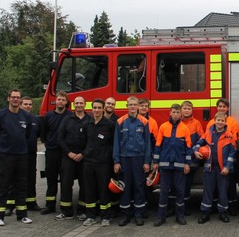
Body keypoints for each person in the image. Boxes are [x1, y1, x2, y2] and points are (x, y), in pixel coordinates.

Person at [0, 89, 33, 226]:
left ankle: (22, 215)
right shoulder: (0, 115)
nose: (15, 100)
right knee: (3, 185)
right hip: (5, 155)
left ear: (21, 100)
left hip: (21, 155)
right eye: (13, 97)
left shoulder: (26, 116)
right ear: (8, 99)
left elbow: (27, 135)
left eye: (18, 98)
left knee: (21, 185)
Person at [114, 96, 152, 226]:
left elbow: (147, 143)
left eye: (134, 104)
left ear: (137, 106)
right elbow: (116, 143)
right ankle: (125, 215)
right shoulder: (120, 122)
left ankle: (138, 214)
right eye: (130, 104)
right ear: (126, 106)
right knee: (125, 186)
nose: (132, 107)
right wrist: (116, 161)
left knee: (139, 186)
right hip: (124, 158)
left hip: (139, 158)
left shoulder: (144, 121)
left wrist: (147, 161)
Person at [152, 103, 192, 226]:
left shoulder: (185, 128)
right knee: (164, 191)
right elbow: (158, 146)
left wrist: (187, 164)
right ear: (170, 113)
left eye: (177, 112)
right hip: (165, 165)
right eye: (173, 112)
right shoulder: (163, 127)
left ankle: (180, 216)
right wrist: (155, 162)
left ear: (180, 114)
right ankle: (161, 217)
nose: (175, 114)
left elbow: (188, 148)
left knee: (180, 191)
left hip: (179, 166)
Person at [195, 112, 236, 223]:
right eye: (218, 120)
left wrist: (227, 167)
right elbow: (199, 142)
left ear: (225, 122)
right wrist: (195, 151)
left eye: (222, 121)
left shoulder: (229, 135)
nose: (220, 122)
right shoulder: (208, 133)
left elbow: (232, 154)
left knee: (223, 192)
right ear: (214, 120)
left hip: (222, 169)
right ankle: (205, 213)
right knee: (208, 191)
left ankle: (223, 213)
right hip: (210, 168)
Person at [55, 96, 91, 221]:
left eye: (81, 103)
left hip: (84, 158)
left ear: (85, 104)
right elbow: (60, 138)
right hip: (68, 157)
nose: (79, 105)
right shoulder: (67, 120)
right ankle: (66, 212)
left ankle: (82, 211)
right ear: (73, 105)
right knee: (65, 183)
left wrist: (83, 154)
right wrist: (69, 153)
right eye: (77, 103)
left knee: (85, 184)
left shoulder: (90, 120)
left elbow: (92, 141)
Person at [82, 99, 115, 226]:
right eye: (94, 108)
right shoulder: (87, 124)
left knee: (103, 190)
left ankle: (105, 216)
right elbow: (84, 141)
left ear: (103, 109)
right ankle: (91, 216)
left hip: (103, 163)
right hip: (89, 162)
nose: (96, 110)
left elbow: (112, 143)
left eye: (99, 108)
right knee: (89, 190)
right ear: (91, 109)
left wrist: (107, 155)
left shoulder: (109, 125)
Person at [206, 98, 239, 215]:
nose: (222, 108)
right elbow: (207, 140)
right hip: (215, 160)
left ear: (227, 108)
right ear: (217, 108)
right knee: (215, 186)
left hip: (228, 159)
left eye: (224, 106)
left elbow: (233, 139)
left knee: (229, 184)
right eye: (220, 106)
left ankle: (231, 207)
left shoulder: (232, 122)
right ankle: (215, 207)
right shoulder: (211, 123)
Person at [40, 90, 70, 215]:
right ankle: (50, 205)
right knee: (51, 180)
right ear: (55, 101)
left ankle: (64, 206)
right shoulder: (48, 116)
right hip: (51, 152)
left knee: (65, 181)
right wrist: (49, 144)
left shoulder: (70, 116)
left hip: (64, 153)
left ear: (66, 102)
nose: (60, 102)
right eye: (59, 99)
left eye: (63, 100)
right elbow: (43, 133)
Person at [180, 100, 205, 215]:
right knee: (177, 183)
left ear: (192, 110)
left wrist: (192, 152)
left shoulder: (196, 124)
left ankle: (184, 206)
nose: (186, 110)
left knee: (187, 183)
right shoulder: (177, 123)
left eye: (189, 108)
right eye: (184, 108)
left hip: (191, 159)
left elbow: (201, 140)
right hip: (179, 158)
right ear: (181, 110)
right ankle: (177, 206)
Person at [20, 97, 42, 212]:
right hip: (18, 154)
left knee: (31, 178)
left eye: (30, 104)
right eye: (25, 104)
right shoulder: (16, 118)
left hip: (31, 153)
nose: (28, 106)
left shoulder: (35, 119)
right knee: (16, 179)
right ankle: (11, 205)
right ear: (20, 105)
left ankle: (31, 203)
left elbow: (38, 134)